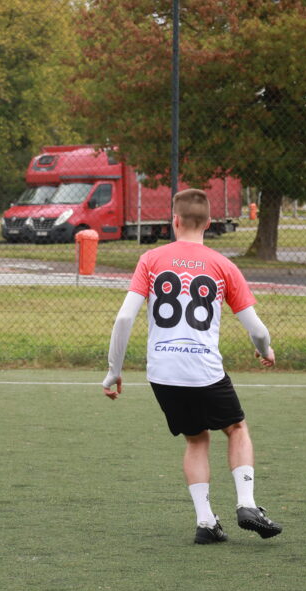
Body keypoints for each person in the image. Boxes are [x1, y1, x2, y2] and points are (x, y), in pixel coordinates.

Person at [101, 188, 282, 544]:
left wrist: (113, 371)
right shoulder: (223, 266)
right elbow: (258, 330)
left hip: (162, 372)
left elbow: (124, 319)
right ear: (210, 223)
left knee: (196, 439)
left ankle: (206, 523)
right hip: (204, 369)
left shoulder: (151, 260)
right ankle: (247, 504)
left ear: (175, 221)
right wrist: (266, 350)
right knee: (236, 428)